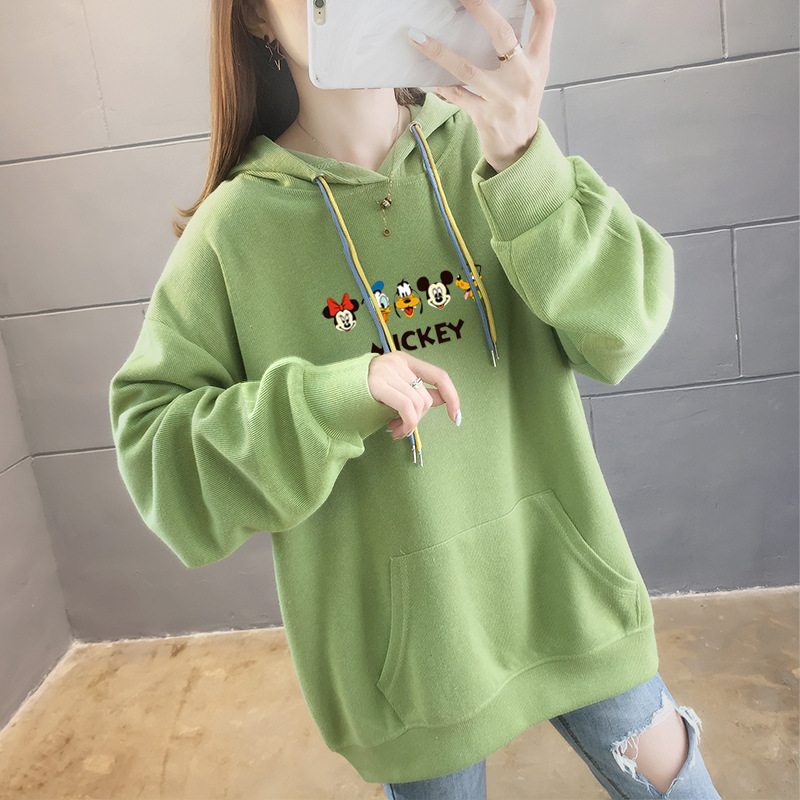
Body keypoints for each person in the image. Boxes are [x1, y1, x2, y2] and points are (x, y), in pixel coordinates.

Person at [109, 0, 723, 797]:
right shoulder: (235, 231)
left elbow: (625, 324)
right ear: (256, 18)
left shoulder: (491, 146)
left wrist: (524, 162)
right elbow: (158, 454)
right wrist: (331, 399)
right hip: (414, 677)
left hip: (570, 600)